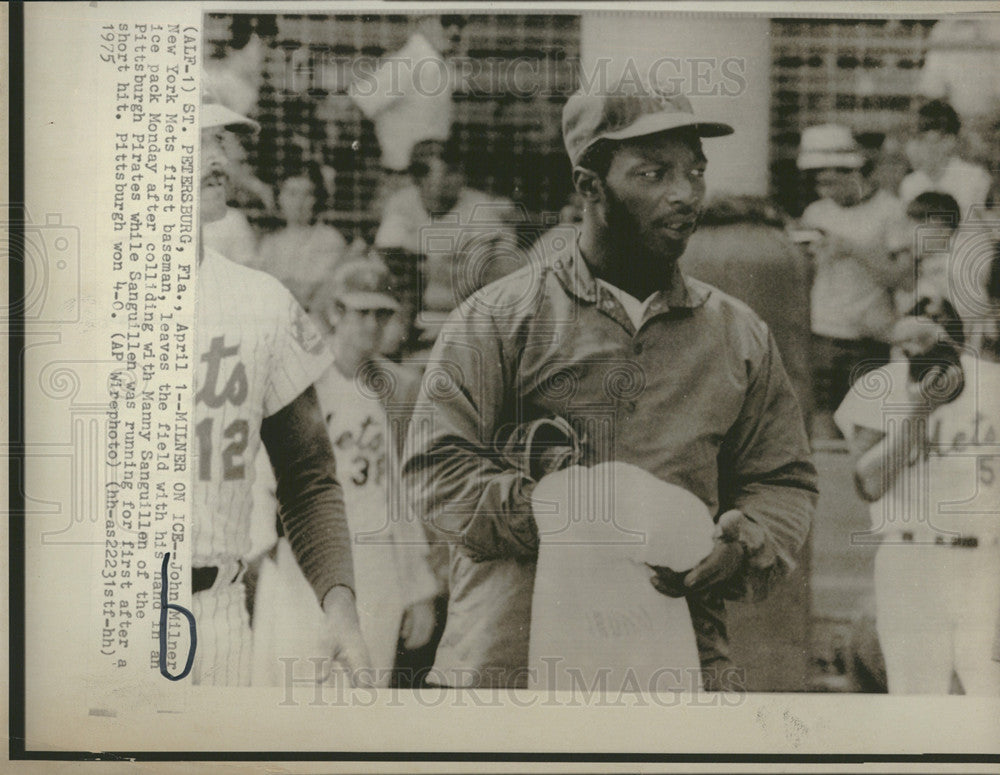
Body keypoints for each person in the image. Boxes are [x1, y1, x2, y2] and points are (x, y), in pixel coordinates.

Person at [400, 81, 819, 690]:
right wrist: (564, 513)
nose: (685, 195)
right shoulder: (499, 318)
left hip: (672, 663)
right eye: (653, 174)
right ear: (590, 186)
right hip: (509, 669)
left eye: (694, 173)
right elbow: (434, 475)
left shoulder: (738, 334)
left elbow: (783, 480)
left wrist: (744, 543)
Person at [194, 86, 370, 686]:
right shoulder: (80, 301)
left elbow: (308, 476)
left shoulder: (261, 299)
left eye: (219, 137)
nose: (216, 154)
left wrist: (341, 608)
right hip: (106, 610)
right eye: (193, 138)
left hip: (215, 607)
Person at [835, 245, 1000, 695]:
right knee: (914, 700)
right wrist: (917, 414)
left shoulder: (992, 383)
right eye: (911, 327)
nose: (922, 335)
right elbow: (868, 483)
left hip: (987, 561)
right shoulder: (880, 386)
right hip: (912, 557)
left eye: (935, 322)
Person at [797, 124, 912, 438]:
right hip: (822, 334)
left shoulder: (890, 211)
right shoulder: (816, 212)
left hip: (869, 338)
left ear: (853, 172)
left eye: (831, 181)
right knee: (822, 425)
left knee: (868, 429)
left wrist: (851, 248)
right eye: (819, 183)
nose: (825, 191)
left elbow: (902, 278)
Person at [375, 137, 520, 344]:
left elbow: (482, 268)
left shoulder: (478, 204)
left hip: (468, 307)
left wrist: (430, 262)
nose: (458, 179)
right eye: (448, 172)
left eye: (458, 171)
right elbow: (390, 255)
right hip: (416, 304)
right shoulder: (402, 202)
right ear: (420, 179)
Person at [350, 15, 467, 194]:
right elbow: (357, 104)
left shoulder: (439, 63)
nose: (454, 31)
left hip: (432, 179)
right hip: (402, 178)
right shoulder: (409, 60)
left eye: (460, 24)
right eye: (445, 22)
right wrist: (370, 163)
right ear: (423, 22)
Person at [255, 165, 348, 316]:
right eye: (292, 194)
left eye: (307, 195)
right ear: (280, 197)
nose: (299, 203)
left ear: (317, 199)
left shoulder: (329, 239)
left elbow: (314, 293)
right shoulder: (270, 243)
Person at [900, 100, 993, 221]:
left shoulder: (975, 178)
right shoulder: (910, 184)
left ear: (950, 140)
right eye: (917, 139)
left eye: (926, 139)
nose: (919, 147)